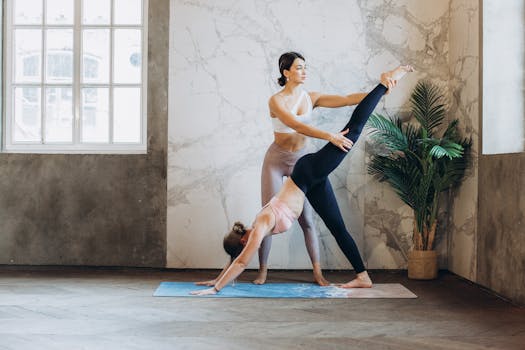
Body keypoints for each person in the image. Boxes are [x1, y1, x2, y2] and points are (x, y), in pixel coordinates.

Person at [191, 64, 414, 296]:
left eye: (246, 246)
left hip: (306, 172)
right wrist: (216, 279)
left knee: (352, 131)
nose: (250, 249)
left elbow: (240, 263)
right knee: (337, 227)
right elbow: (236, 258)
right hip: (310, 183)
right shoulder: (252, 233)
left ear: (244, 239)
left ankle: (383, 81)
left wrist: (216, 289)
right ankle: (362, 276)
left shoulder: (259, 227)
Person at [255, 52, 369, 286]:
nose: (304, 71)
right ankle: (262, 271)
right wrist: (330, 136)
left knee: (307, 219)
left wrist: (376, 93)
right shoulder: (275, 101)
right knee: (267, 216)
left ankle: (317, 272)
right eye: (299, 68)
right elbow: (295, 124)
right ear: (286, 72)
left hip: (301, 159)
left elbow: (347, 99)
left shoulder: (312, 97)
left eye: (305, 67)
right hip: (276, 159)